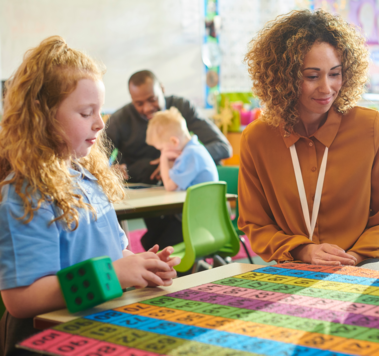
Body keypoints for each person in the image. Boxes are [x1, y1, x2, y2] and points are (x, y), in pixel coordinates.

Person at [0, 36, 180, 355]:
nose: (100, 124)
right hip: (45, 338)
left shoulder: (89, 176)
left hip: (96, 324)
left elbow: (113, 253)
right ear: (42, 116)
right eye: (86, 113)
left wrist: (140, 265)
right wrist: (113, 274)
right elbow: (21, 299)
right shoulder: (25, 191)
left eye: (100, 111)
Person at [238, 10, 379, 271]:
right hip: (294, 261)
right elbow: (255, 224)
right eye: (312, 76)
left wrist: (355, 258)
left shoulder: (371, 128)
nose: (327, 88)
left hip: (364, 262)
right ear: (285, 79)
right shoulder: (256, 138)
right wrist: (305, 250)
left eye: (335, 74)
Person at [106, 70, 231, 249]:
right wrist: (114, 169)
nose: (147, 108)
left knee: (167, 242)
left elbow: (223, 147)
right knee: (154, 242)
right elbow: (95, 158)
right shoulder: (120, 120)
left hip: (186, 195)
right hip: (145, 193)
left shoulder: (180, 108)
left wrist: (185, 158)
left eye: (152, 99)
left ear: (162, 89)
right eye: (139, 103)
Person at [146, 107, 218, 192]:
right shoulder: (195, 148)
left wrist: (163, 159)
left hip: (201, 204)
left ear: (174, 142)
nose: (162, 152)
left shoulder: (190, 154)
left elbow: (170, 187)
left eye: (162, 149)